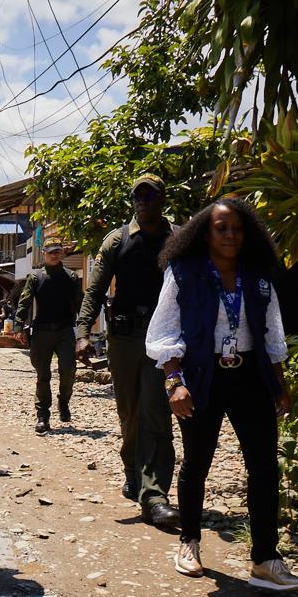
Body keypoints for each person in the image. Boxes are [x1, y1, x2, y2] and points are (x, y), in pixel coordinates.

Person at [145, 198, 298, 591]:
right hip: (201, 377)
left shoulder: (258, 275)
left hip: (250, 376)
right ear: (206, 232)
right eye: (221, 228)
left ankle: (266, 558)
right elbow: (163, 332)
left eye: (237, 228)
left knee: (265, 467)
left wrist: (279, 383)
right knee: (197, 463)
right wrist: (174, 382)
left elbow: (271, 331)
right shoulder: (184, 272)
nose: (230, 235)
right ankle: (189, 543)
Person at [75, 173, 179, 528]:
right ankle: (133, 469)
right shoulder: (118, 241)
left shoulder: (178, 239)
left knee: (156, 412)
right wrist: (83, 332)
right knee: (130, 413)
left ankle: (154, 494)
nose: (144, 202)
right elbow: (94, 289)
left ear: (162, 200)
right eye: (138, 196)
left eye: (150, 197)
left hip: (163, 341)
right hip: (124, 339)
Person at [16, 238, 82, 433]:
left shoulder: (71, 277)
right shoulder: (36, 277)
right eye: (51, 251)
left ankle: (64, 401)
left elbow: (79, 303)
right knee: (42, 374)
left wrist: (84, 331)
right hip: (42, 331)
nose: (54, 255)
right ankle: (42, 415)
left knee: (68, 369)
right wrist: (19, 326)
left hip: (65, 330)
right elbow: (25, 301)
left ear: (62, 253)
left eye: (58, 251)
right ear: (44, 253)